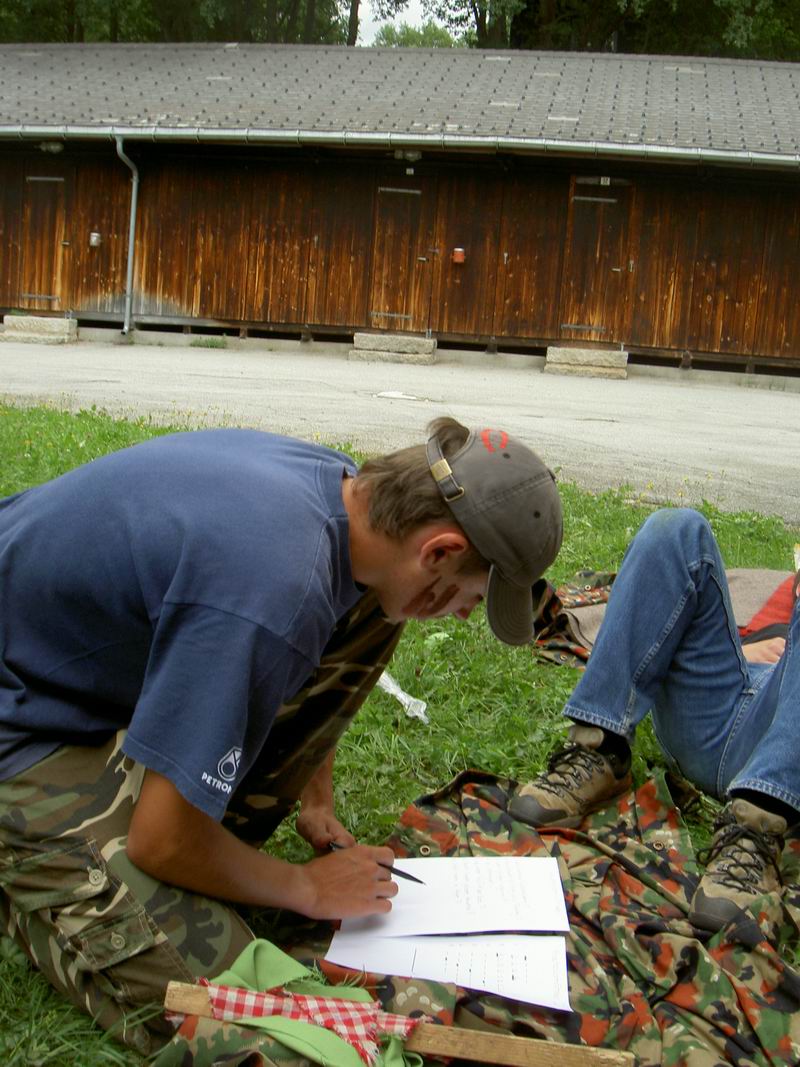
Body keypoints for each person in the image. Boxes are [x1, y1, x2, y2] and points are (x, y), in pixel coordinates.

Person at [0, 417, 562, 1053]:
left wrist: (315, 798)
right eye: (473, 597)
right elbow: (160, 842)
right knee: (267, 1021)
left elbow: (318, 631)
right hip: (23, 720)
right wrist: (307, 887)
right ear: (438, 551)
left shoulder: (343, 499)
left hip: (68, 656)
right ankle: (33, 870)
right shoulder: (270, 590)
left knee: (381, 605)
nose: (462, 616)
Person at [509, 507, 799, 937]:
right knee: (676, 529)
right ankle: (600, 747)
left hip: (787, 752)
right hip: (729, 704)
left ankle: (759, 828)